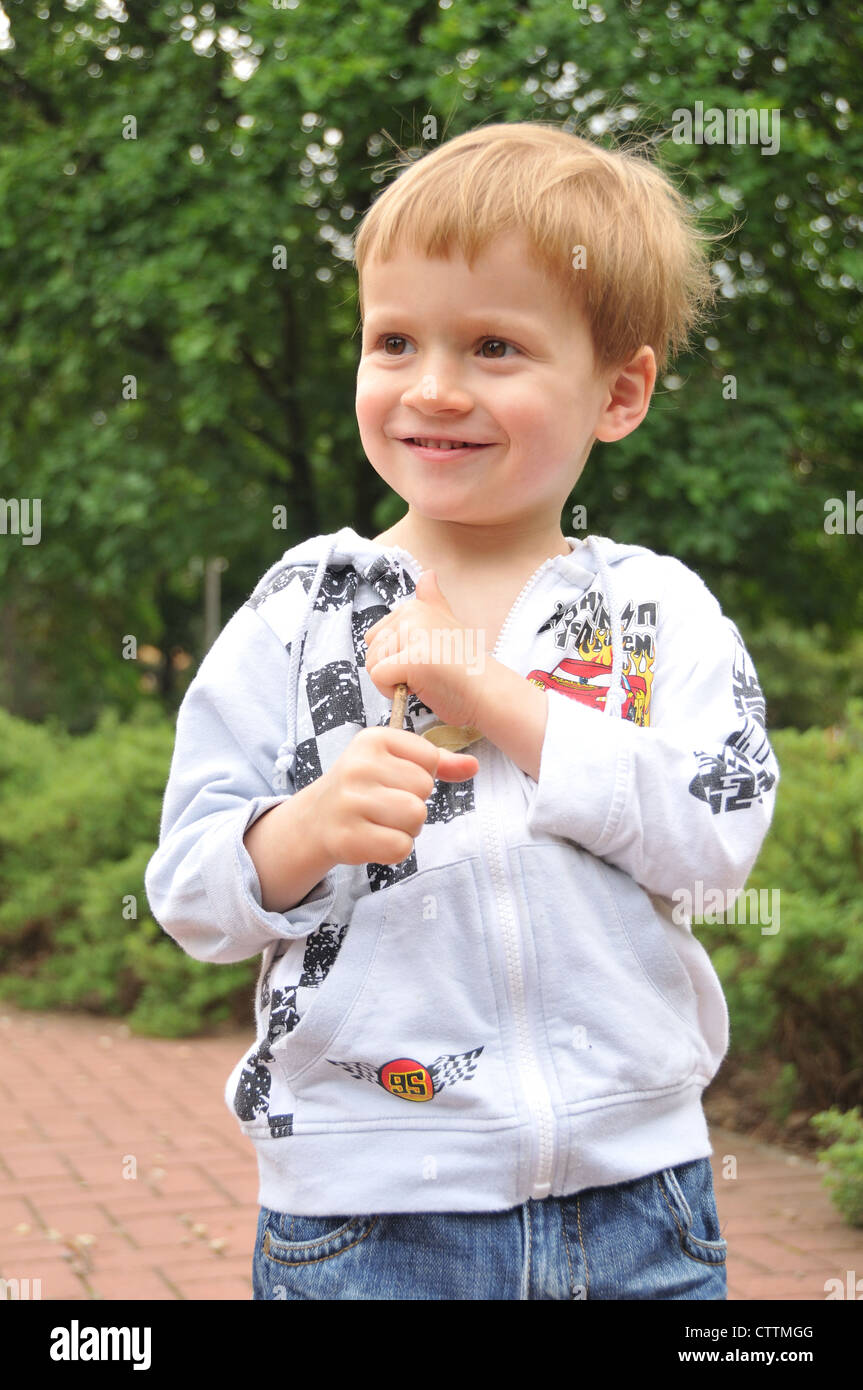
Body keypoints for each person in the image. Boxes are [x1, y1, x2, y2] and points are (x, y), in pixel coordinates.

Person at [145, 121, 779, 1300]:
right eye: (393, 340)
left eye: (493, 345)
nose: (431, 387)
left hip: (640, 1200)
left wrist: (502, 703)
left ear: (619, 391)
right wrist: (305, 831)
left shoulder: (657, 610)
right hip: (368, 1220)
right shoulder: (297, 610)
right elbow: (188, 891)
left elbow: (714, 843)